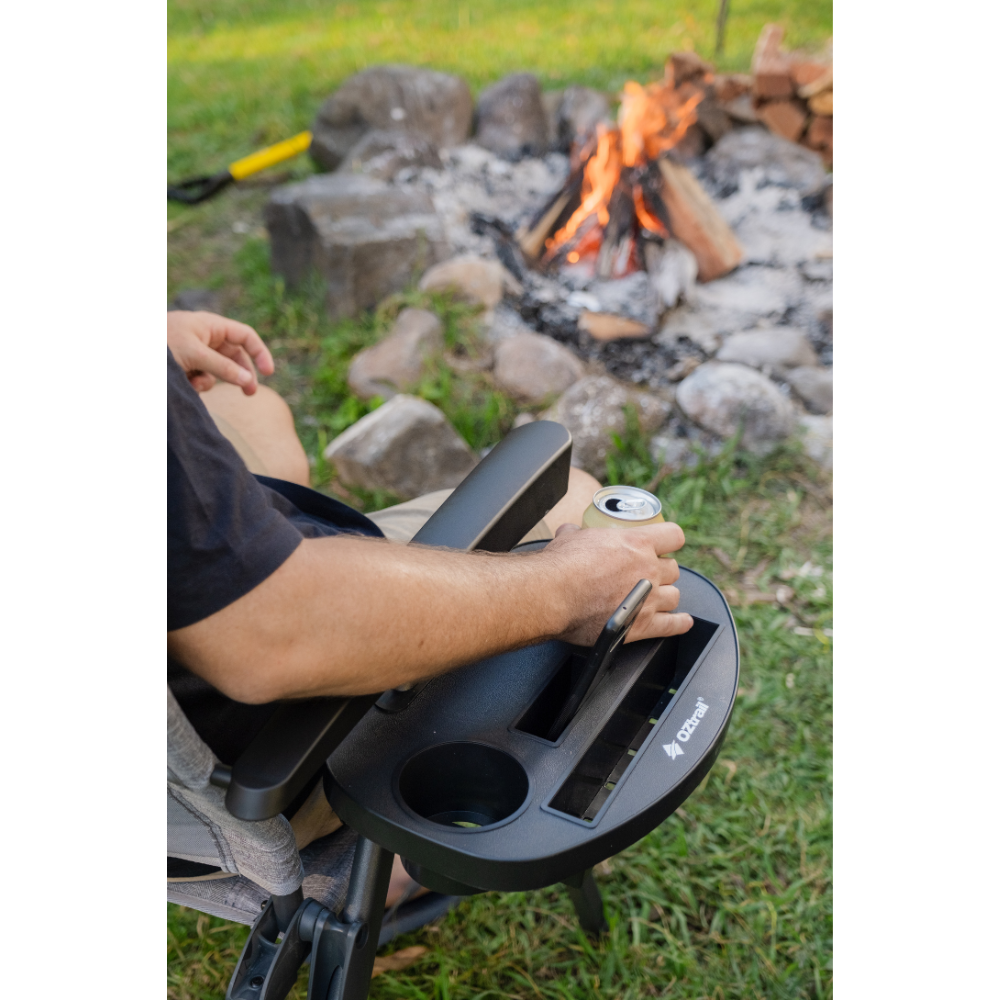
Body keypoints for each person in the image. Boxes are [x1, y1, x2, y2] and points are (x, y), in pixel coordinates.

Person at [167, 308, 693, 906]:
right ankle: (382, 873)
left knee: (250, 408)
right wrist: (571, 588)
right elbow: (272, 635)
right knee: (575, 495)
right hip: (276, 757)